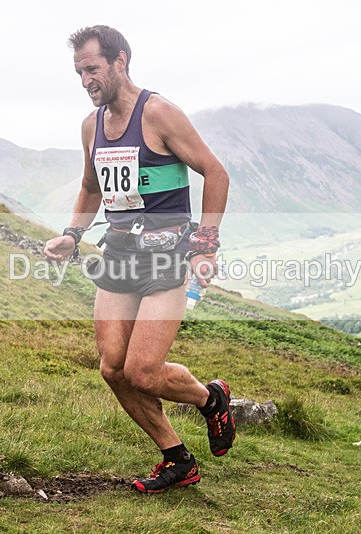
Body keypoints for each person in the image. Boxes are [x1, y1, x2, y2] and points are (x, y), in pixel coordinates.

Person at [43, 25, 233, 494]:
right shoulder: (91, 126)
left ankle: (211, 399)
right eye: (79, 72)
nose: (85, 80)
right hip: (119, 255)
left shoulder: (160, 113)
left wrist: (205, 245)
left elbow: (215, 172)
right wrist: (73, 234)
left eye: (92, 69)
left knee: (143, 371)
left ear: (120, 62)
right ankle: (177, 458)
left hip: (167, 257)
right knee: (112, 367)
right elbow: (91, 187)